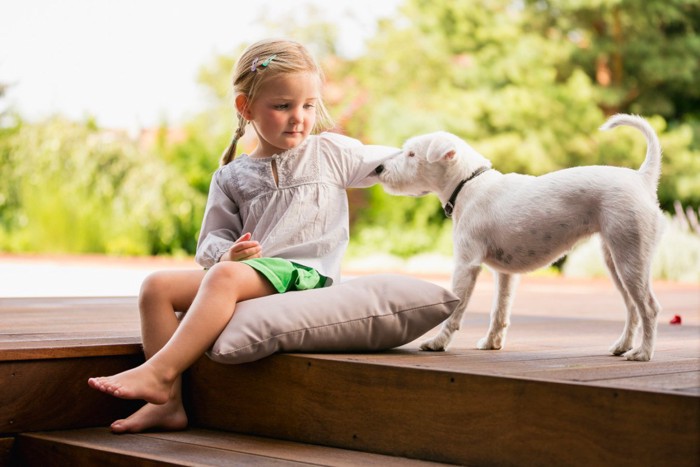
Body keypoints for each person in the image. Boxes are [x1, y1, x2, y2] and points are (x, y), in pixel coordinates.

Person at [87, 38, 398, 433]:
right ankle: (167, 405)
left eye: (308, 106)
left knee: (224, 278)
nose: (299, 117)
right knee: (156, 286)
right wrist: (227, 254)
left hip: (307, 275)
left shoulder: (330, 152)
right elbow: (210, 243)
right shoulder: (231, 176)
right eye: (283, 106)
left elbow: (397, 163)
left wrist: (443, 163)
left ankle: (159, 372)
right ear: (245, 107)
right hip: (252, 275)